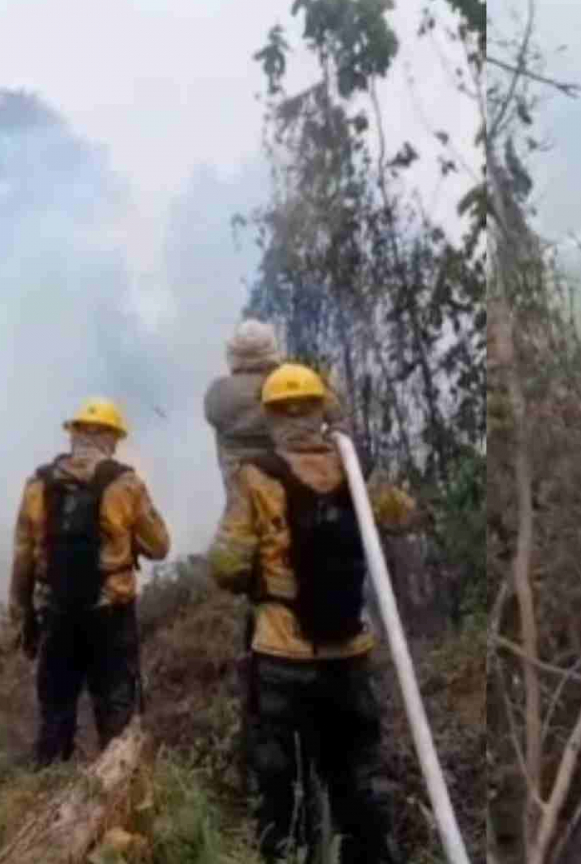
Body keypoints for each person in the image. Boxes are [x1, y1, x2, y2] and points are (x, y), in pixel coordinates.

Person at [207, 362, 414, 864]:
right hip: (350, 656)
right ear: (323, 409)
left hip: (282, 658)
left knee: (283, 796)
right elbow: (403, 515)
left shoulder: (256, 478)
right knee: (357, 785)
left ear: (270, 417)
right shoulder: (355, 471)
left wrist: (261, 576)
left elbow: (227, 565)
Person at [10, 397, 170, 768]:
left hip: (55, 610)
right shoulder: (124, 484)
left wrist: (23, 616)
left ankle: (48, 796)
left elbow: (23, 558)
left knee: (55, 712)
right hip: (110, 612)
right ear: (112, 438)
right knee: (116, 711)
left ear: (74, 435)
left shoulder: (39, 484)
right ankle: (117, 800)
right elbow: (159, 546)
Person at [203, 319, 348, 495]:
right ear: (272, 351)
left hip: (246, 504)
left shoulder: (217, 395)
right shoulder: (298, 388)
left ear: (232, 354)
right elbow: (340, 426)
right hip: (306, 493)